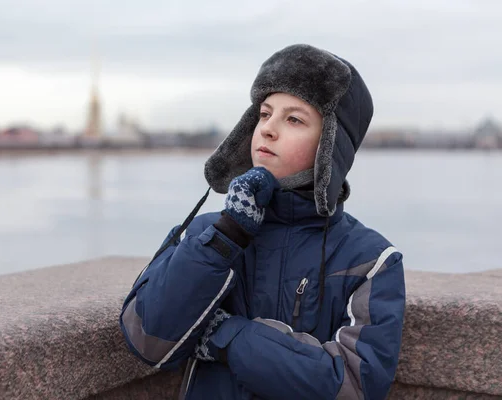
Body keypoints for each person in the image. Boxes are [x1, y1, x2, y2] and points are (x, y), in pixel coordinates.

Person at [119, 43, 406, 400]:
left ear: (330, 146)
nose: (268, 129)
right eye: (265, 114)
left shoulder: (372, 261)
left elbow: (354, 386)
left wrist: (229, 337)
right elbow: (147, 339)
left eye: (294, 119)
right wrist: (226, 237)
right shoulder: (206, 232)